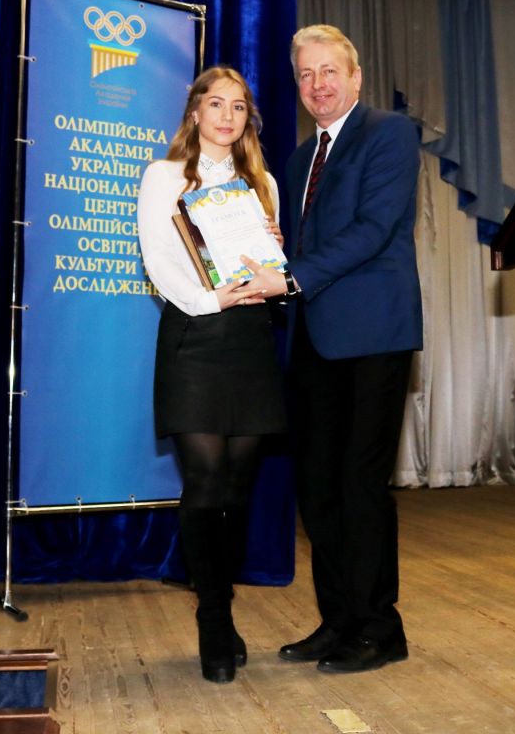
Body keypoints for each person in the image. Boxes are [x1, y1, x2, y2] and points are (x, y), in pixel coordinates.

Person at [242, 24, 423, 673]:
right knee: (318, 487)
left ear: (355, 77)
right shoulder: (296, 161)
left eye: (328, 71)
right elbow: (304, 249)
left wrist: (289, 275)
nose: (317, 85)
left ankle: (379, 628)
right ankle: (338, 620)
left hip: (374, 334)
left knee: (359, 484)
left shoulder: (390, 133)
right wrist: (269, 250)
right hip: (312, 337)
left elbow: (374, 229)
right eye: (305, 74)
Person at [136, 66, 285, 684]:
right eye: (216, 103)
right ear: (195, 111)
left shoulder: (262, 184)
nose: (227, 115)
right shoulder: (164, 175)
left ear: (249, 118)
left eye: (239, 106)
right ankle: (214, 618)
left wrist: (274, 254)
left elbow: (270, 272)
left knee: (237, 491)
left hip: (249, 339)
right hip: (194, 337)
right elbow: (157, 258)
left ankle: (221, 600)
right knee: (204, 482)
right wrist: (208, 301)